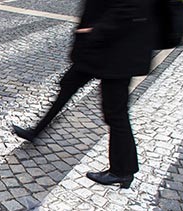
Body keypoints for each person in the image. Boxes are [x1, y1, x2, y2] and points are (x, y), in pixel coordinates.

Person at [13, 0, 158, 189]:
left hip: (116, 53)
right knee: (67, 86)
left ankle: (123, 171)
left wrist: (96, 31)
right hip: (99, 49)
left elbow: (129, 9)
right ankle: (36, 131)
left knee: (116, 114)